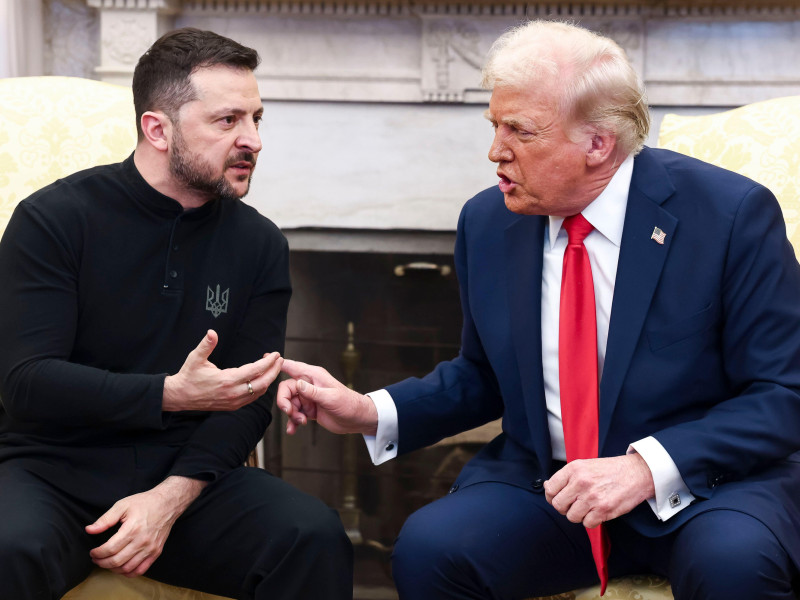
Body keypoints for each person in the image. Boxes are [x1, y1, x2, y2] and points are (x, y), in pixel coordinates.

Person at [277, 20, 800, 600]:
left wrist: (645, 467)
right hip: (549, 487)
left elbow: (782, 393)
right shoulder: (489, 220)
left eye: (519, 130)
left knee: (736, 563)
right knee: (432, 548)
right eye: (494, 125)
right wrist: (368, 411)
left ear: (597, 144)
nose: (496, 151)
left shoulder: (729, 215)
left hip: (702, 488)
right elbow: (481, 376)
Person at [0, 27, 352, 600]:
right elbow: (26, 383)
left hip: (187, 477)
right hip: (50, 471)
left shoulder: (260, 244)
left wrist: (168, 500)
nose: (253, 140)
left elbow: (250, 398)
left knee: (310, 536)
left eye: (257, 119)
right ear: (157, 129)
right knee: (8, 548)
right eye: (227, 120)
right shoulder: (52, 220)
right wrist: (168, 394)